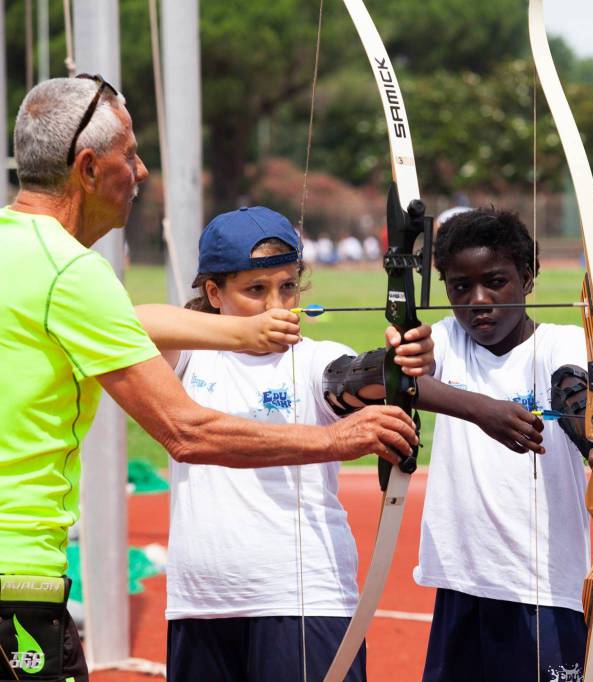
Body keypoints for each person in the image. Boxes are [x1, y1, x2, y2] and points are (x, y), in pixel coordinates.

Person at [0, 77, 418, 681]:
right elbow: (186, 431)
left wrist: (245, 333)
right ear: (88, 168)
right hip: (18, 578)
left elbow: (132, 322)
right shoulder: (72, 273)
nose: (142, 172)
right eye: (131, 154)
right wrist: (338, 441)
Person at [155, 206, 435, 682]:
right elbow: (130, 324)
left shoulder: (315, 360)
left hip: (305, 600)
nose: (276, 306)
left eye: (287, 287)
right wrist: (236, 333)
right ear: (213, 292)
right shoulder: (188, 360)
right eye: (255, 290)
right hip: (200, 603)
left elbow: (352, 379)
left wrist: (397, 362)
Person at [410, 208, 593, 681]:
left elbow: (576, 394)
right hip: (463, 580)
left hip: (542, 588)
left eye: (496, 281)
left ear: (529, 277)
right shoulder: (448, 341)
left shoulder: (563, 342)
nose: (478, 301)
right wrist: (481, 409)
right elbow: (404, 382)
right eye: (459, 287)